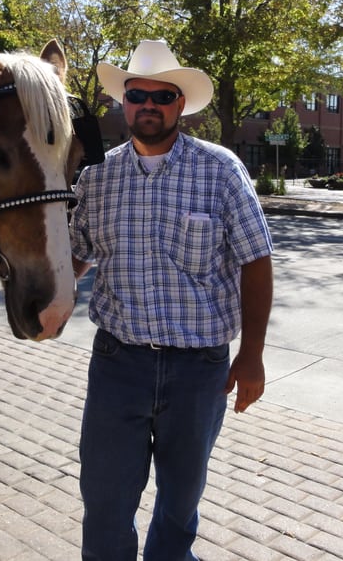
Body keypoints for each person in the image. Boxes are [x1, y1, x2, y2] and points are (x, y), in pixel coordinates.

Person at [69, 39, 274, 561]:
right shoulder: (96, 178)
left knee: (180, 505)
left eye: (163, 96)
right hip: (119, 366)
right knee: (106, 502)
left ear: (181, 104)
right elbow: (77, 257)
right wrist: (39, 291)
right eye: (137, 94)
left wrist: (251, 355)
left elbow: (256, 261)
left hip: (198, 371)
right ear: (124, 102)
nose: (149, 105)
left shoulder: (221, 171)